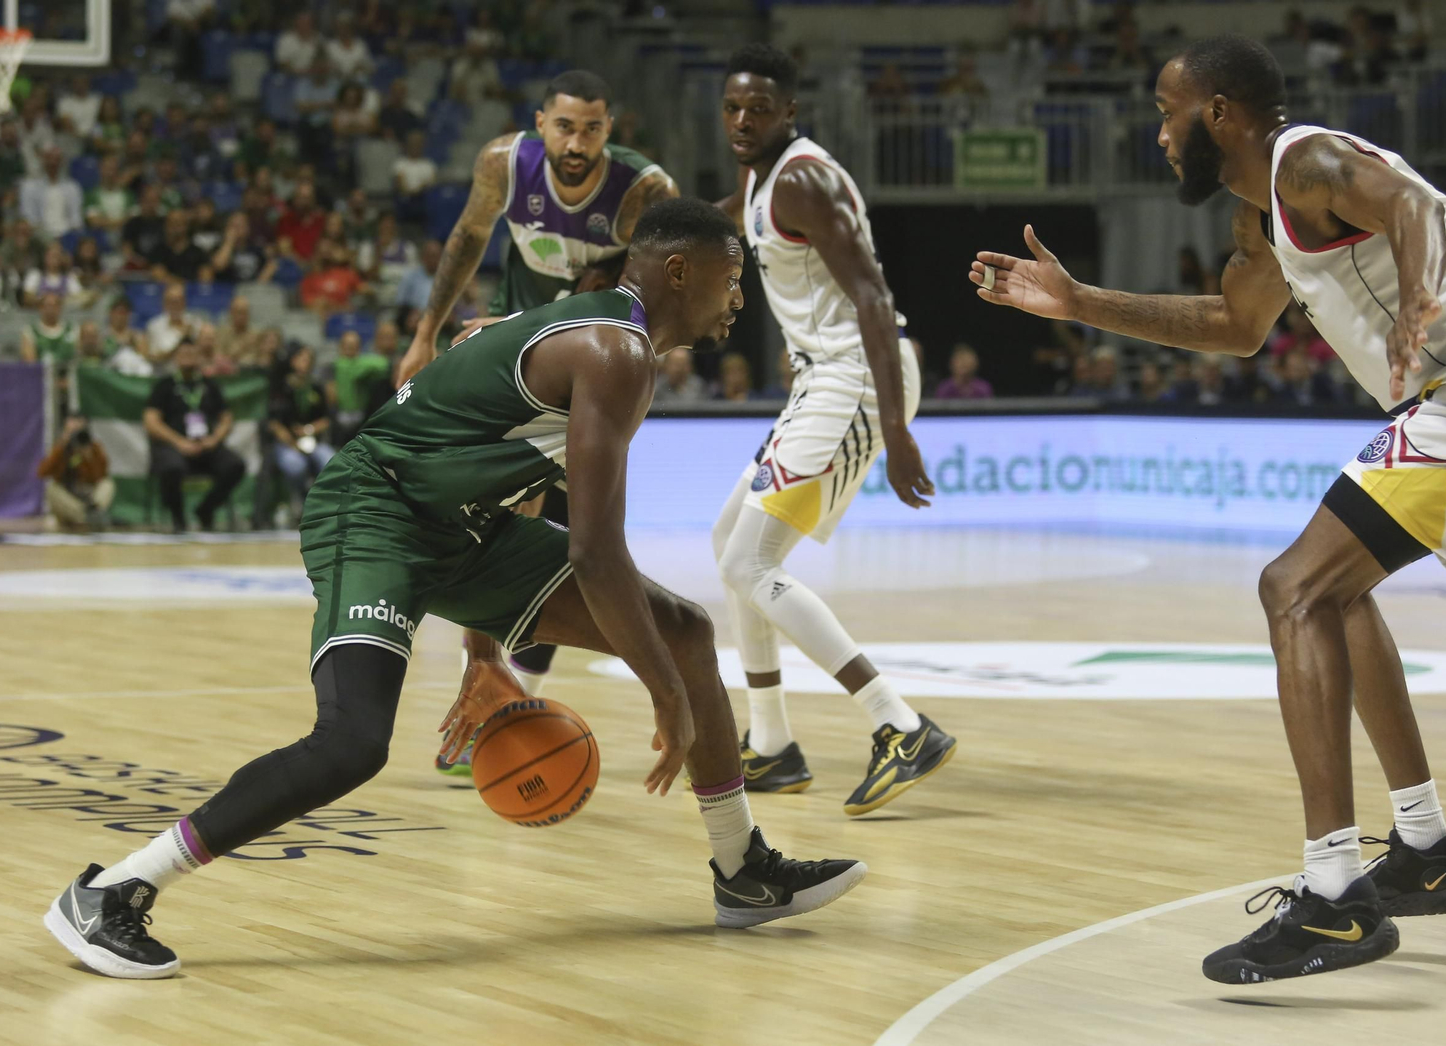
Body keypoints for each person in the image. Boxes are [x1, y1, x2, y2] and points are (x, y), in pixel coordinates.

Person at [44, 199, 867, 979]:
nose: (738, 302)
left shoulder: (598, 333)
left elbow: (511, 467)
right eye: (732, 280)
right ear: (679, 271)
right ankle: (114, 890)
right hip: (376, 510)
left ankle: (742, 869)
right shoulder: (614, 352)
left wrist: (484, 651)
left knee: (684, 630)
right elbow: (593, 551)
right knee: (352, 742)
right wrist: (665, 694)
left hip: (464, 525)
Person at [970, 33, 1446, 983]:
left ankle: (1335, 899)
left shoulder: (1306, 159)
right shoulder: (1267, 215)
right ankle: (1425, 850)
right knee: (1334, 596)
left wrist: (1415, 300)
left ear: (1220, 114)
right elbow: (1237, 327)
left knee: (1295, 588)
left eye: (1169, 114)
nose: (1161, 136)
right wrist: (1078, 303)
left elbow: (1408, 206)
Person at [395, 68, 680, 769]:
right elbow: (467, 238)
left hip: (597, 359)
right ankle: (491, 683)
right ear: (540, 124)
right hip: (518, 350)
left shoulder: (645, 192)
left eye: (592, 129)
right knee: (499, 509)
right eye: (565, 127)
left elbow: (664, 290)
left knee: (582, 537)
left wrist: (600, 291)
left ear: (610, 130)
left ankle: (513, 689)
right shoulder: (505, 162)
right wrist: (425, 332)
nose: (577, 143)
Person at [712, 45, 953, 815]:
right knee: (731, 545)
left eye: (759, 109)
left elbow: (874, 298)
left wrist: (897, 429)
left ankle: (901, 725)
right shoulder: (757, 179)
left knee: (749, 562)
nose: (743, 121)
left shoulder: (804, 180)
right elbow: (725, 222)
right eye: (732, 108)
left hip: (858, 379)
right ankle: (773, 744)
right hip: (823, 379)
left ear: (789, 112)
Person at [143, 338, 245, 532]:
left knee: (235, 465)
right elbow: (151, 421)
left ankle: (205, 509)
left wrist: (214, 439)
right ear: (175, 358)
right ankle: (178, 518)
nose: (188, 358)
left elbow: (226, 418)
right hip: (174, 447)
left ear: (199, 357)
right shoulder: (165, 386)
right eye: (183, 354)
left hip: (206, 445)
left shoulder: (209, 385)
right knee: (171, 467)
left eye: (192, 354)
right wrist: (178, 442)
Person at [267, 342, 335, 513]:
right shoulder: (280, 387)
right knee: (296, 465)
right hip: (287, 443)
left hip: (313, 440)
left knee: (330, 461)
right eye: (301, 358)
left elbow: (326, 419)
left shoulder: (316, 386)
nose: (305, 362)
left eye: (308, 359)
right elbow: (274, 423)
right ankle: (301, 497)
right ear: (292, 361)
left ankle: (324, 503)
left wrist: (309, 429)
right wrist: (293, 444)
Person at [38, 415, 114, 531]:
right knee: (51, 489)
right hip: (69, 499)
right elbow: (42, 472)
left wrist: (88, 457)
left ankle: (89, 516)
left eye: (79, 431)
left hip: (89, 498)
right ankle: (87, 519)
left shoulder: (94, 447)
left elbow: (100, 476)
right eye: (72, 431)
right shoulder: (61, 449)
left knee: (107, 484)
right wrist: (62, 447)